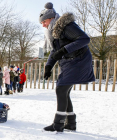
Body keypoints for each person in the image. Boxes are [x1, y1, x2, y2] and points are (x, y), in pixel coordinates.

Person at [39, 2, 95, 132]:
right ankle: (70, 123)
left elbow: (84, 39)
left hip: (79, 61)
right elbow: (55, 50)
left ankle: (58, 124)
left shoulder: (66, 26)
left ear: (51, 18)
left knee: (61, 89)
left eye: (44, 22)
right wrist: (48, 66)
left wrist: (64, 50)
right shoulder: (54, 32)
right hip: (70, 62)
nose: (43, 25)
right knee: (64, 91)